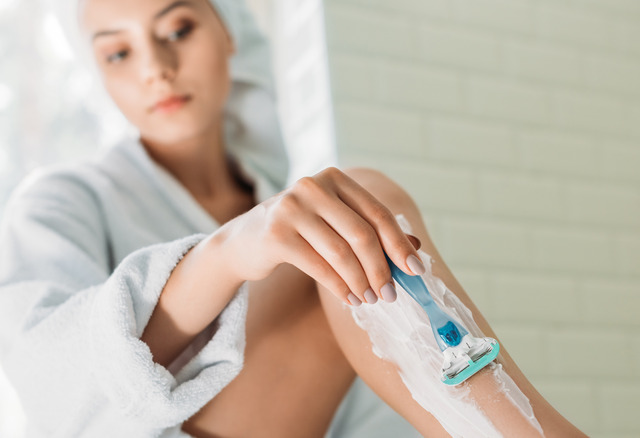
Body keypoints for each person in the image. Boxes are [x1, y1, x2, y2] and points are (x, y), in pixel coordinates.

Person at [0, 0, 588, 436]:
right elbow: (50, 388)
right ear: (97, 70)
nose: (156, 67)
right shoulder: (60, 201)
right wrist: (226, 256)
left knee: (343, 226)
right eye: (118, 52)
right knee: (349, 213)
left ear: (228, 31)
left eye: (178, 28)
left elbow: (377, 405)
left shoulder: (280, 208)